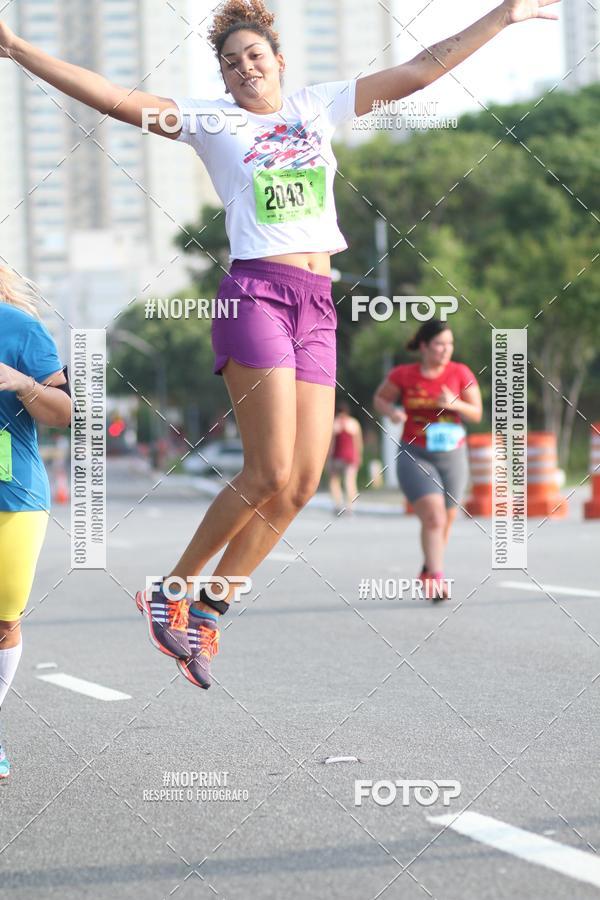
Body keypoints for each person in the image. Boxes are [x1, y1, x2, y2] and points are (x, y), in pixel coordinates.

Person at [0, 0, 558, 686]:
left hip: (317, 305)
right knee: (264, 472)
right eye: (231, 63)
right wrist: (20, 50)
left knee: (298, 483)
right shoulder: (211, 121)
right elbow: (117, 98)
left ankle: (208, 609)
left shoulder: (317, 106)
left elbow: (419, 69)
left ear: (279, 61)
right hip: (255, 295)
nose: (244, 69)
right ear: (224, 76)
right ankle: (169, 594)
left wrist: (502, 16)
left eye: (254, 57)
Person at [0, 267, 71, 778]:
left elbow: (65, 411)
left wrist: (22, 382)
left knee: (3, 618)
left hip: (12, 493)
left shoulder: (18, 328)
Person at [374, 320, 482, 600]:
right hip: (415, 451)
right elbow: (380, 400)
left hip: (453, 453)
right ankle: (437, 579)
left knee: (446, 518)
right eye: (439, 344)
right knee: (433, 516)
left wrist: (454, 403)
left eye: (450, 344)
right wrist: (393, 412)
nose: (446, 350)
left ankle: (428, 568)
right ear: (423, 346)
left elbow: (476, 413)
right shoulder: (403, 374)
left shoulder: (460, 372)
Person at [328, 402, 363, 514]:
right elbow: (358, 443)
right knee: (350, 482)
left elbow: (331, 444)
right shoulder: (354, 423)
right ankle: (350, 506)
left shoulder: (335, 424)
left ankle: (337, 504)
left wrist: (328, 459)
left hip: (337, 457)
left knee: (334, 481)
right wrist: (359, 456)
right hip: (350, 457)